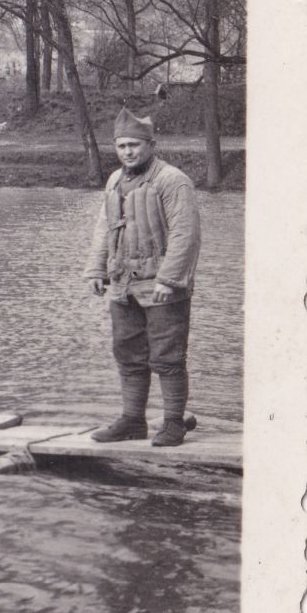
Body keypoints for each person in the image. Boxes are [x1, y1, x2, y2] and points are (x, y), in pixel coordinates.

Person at [85, 108, 202, 447]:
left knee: (167, 356)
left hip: (162, 286)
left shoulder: (172, 180)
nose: (128, 152)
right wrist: (96, 269)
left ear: (152, 145)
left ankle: (173, 424)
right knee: (128, 353)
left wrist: (169, 279)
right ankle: (133, 421)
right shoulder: (114, 181)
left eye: (134, 145)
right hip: (123, 283)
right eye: (121, 146)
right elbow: (104, 228)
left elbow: (185, 235)